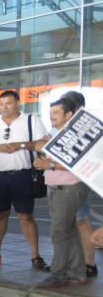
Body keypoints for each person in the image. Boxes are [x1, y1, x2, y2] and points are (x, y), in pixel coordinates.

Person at [0, 90, 48, 270]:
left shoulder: (32, 120)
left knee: (26, 216)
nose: (4, 107)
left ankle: (36, 256)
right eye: (1, 104)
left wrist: (20, 145)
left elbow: (44, 143)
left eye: (8, 103)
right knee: (0, 215)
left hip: (22, 174)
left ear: (18, 104)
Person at [32, 98, 90, 287]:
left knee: (59, 232)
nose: (51, 116)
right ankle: (77, 273)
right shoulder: (58, 133)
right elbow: (41, 147)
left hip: (69, 188)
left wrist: (47, 164)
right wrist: (44, 156)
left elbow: (79, 164)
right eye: (50, 113)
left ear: (69, 115)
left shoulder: (77, 136)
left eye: (56, 113)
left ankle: (59, 273)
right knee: (68, 231)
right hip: (57, 187)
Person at [58, 91, 98, 278]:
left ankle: (89, 263)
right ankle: (81, 262)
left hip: (77, 182)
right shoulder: (66, 127)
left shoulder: (83, 128)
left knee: (81, 221)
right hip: (65, 183)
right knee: (73, 223)